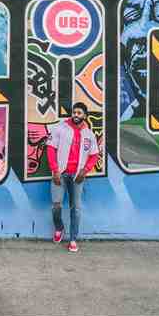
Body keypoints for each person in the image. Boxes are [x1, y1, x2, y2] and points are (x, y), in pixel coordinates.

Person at [46, 102, 100, 252]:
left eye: (79, 113)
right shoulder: (60, 128)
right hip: (60, 174)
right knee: (56, 205)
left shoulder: (89, 134)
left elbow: (94, 155)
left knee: (75, 208)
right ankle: (59, 227)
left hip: (77, 177)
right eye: (74, 112)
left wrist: (85, 171)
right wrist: (55, 170)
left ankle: (73, 239)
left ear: (85, 116)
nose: (76, 115)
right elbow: (50, 149)